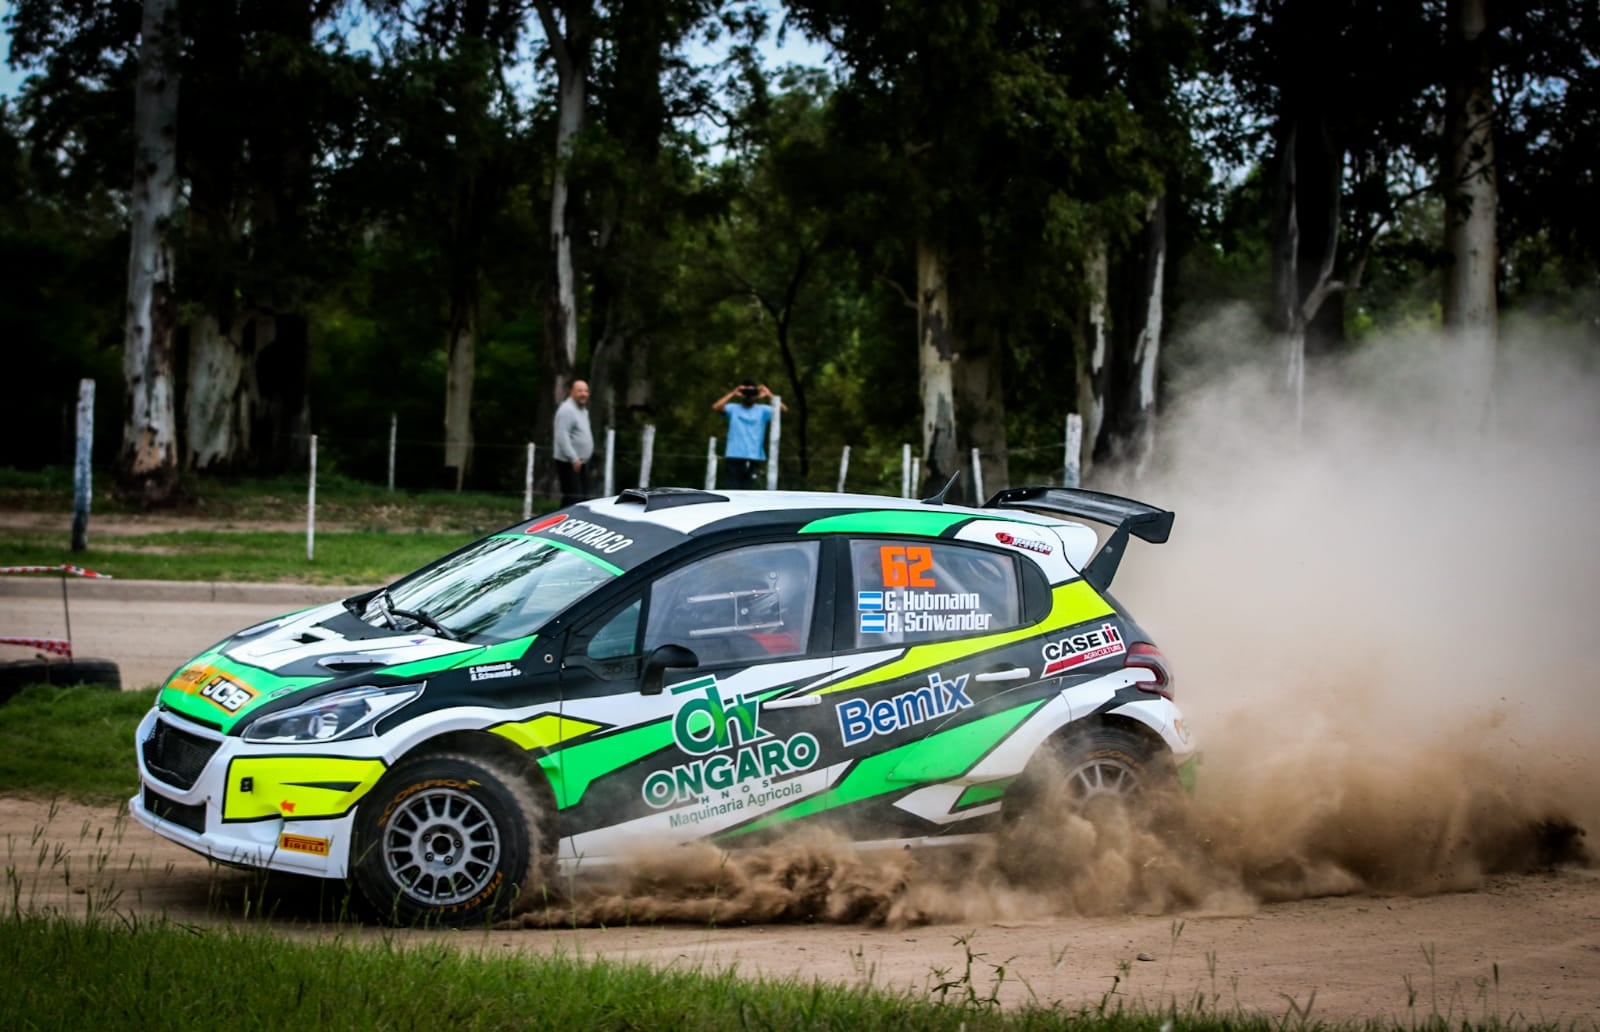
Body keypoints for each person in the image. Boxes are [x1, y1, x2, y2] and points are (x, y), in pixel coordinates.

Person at [712, 380, 787, 490]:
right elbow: (716, 407)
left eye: (752, 392)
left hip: (754, 456)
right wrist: (734, 393)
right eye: (747, 392)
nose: (749, 395)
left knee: (750, 490)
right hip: (734, 455)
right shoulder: (733, 408)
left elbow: (783, 410)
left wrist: (768, 394)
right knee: (731, 489)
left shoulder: (763, 410)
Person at [552, 379, 594, 506]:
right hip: (569, 462)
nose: (583, 394)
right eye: (579, 391)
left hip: (581, 462)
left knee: (582, 499)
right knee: (572, 499)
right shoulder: (567, 410)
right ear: (572, 392)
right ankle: (563, 523)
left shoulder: (583, 410)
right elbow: (561, 436)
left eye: (586, 391)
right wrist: (573, 458)